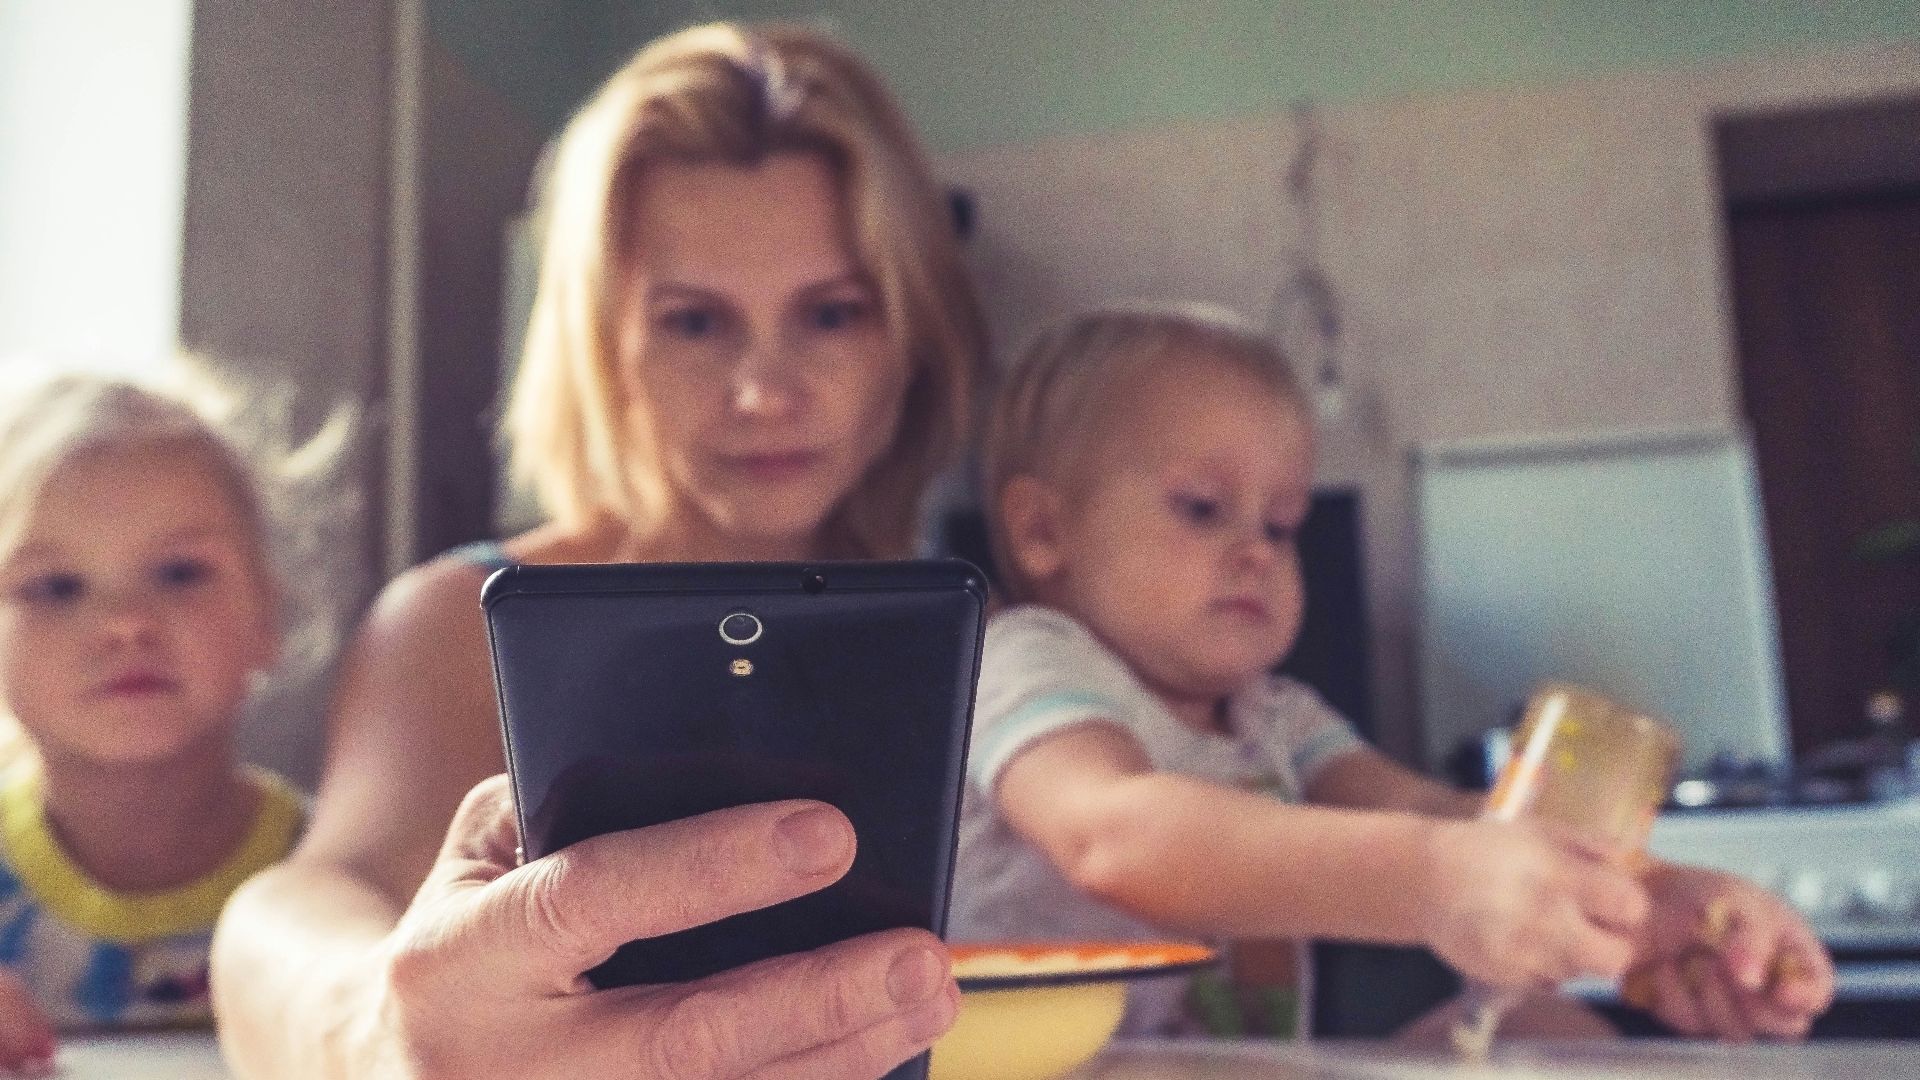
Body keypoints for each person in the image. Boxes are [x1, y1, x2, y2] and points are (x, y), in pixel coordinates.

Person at [210, 21, 988, 1079]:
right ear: (602, 344)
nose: (765, 390)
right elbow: (297, 908)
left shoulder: (989, 638)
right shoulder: (458, 616)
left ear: (909, 334)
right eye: (695, 322)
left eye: (832, 312)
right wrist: (374, 1030)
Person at [949, 307, 1835, 1041]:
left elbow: (1429, 816)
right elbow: (1114, 836)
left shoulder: (1274, 716)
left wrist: (1643, 903)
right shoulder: (1023, 657)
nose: (1256, 552)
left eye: (1283, 523)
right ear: (1044, 532)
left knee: (1547, 1030)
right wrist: (1437, 881)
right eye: (1202, 509)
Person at [0, 367, 307, 1072]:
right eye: (54, 587)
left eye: (179, 573)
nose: (125, 625)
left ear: (268, 611)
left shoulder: (340, 875)